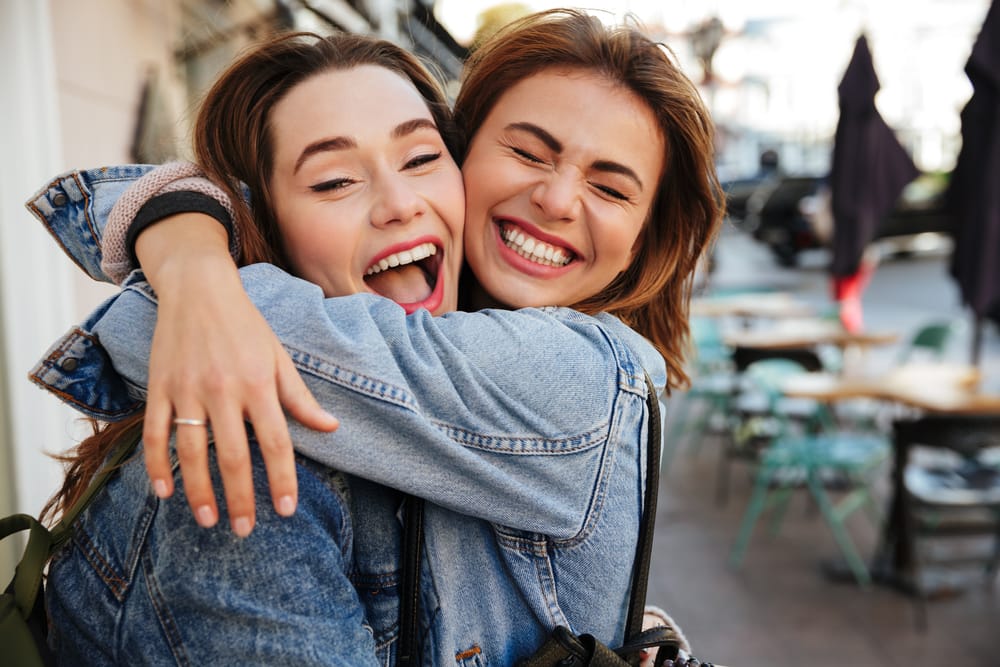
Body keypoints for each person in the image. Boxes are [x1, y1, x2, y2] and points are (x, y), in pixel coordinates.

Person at [30, 9, 721, 666]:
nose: (559, 199)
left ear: (641, 242)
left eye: (612, 188)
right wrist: (190, 238)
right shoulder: (233, 475)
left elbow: (159, 317)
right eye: (527, 152)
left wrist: (191, 276)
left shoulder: (584, 378)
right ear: (468, 157)